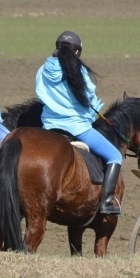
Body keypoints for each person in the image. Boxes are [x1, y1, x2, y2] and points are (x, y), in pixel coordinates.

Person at [36, 31, 123, 216]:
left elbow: (40, 94)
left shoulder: (43, 69)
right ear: (77, 52)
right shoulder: (79, 70)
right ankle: (107, 202)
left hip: (49, 127)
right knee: (115, 155)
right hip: (78, 128)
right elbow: (89, 98)